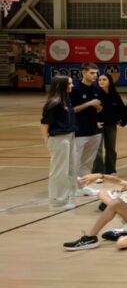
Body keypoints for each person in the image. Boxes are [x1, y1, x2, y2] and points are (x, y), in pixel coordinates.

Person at [41, 76, 77, 210]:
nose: (72, 86)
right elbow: (44, 124)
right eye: (70, 83)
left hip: (70, 136)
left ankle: (65, 198)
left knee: (70, 169)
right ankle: (56, 202)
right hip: (59, 139)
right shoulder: (54, 103)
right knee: (59, 171)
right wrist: (47, 141)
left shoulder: (67, 100)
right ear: (62, 85)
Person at [70, 63, 104, 189]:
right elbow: (72, 110)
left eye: (96, 73)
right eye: (92, 73)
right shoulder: (75, 89)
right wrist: (89, 104)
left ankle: (83, 187)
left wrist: (98, 107)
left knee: (88, 162)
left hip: (94, 130)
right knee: (75, 161)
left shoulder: (97, 89)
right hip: (79, 131)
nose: (95, 75)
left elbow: (99, 108)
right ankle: (72, 188)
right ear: (83, 72)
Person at [91, 72, 127, 175]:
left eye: (104, 79)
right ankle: (98, 172)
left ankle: (111, 170)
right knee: (97, 150)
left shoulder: (114, 94)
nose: (101, 81)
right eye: (99, 80)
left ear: (109, 81)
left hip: (111, 125)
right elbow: (90, 111)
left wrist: (123, 120)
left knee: (111, 148)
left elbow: (122, 108)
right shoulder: (94, 94)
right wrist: (95, 121)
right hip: (97, 126)